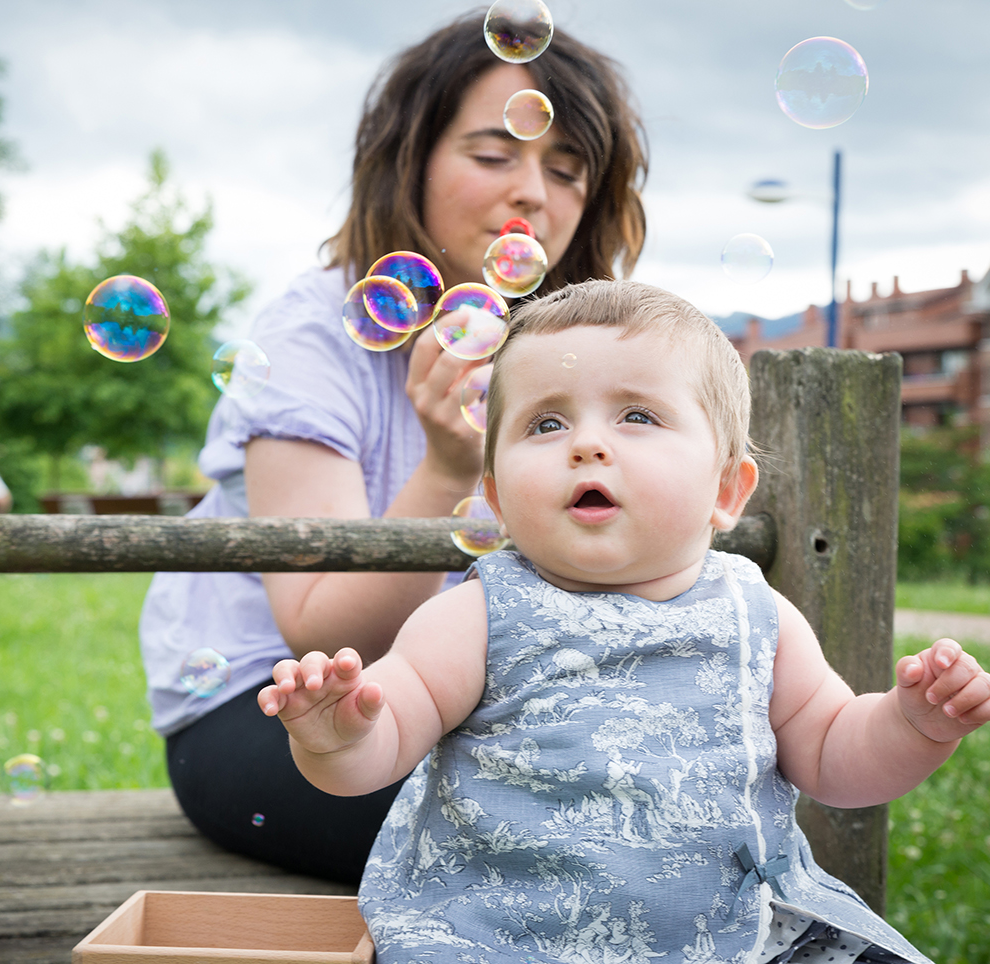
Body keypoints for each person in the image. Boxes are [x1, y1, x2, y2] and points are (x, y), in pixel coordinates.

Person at [259, 280, 990, 963]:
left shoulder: (756, 617)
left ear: (726, 488)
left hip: (731, 937)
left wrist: (911, 727)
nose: (587, 443)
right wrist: (339, 737)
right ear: (495, 493)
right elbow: (380, 748)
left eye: (637, 415)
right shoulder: (477, 616)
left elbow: (837, 758)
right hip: (501, 939)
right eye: (546, 423)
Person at [137, 10, 647, 884]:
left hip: (450, 696)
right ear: (407, 160)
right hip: (275, 707)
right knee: (545, 816)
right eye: (494, 155)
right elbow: (317, 624)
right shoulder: (312, 336)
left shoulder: (564, 349)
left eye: (566, 171)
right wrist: (450, 472)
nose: (533, 192)